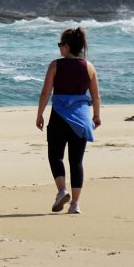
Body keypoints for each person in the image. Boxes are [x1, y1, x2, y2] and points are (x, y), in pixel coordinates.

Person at [36, 27, 102, 214]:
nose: (59, 49)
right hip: (81, 118)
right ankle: (75, 205)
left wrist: (39, 114)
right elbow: (96, 96)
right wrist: (96, 115)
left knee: (55, 156)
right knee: (76, 161)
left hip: (58, 116)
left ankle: (61, 190)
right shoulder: (89, 66)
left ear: (66, 46)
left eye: (60, 45)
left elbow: (45, 92)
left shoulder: (56, 65)